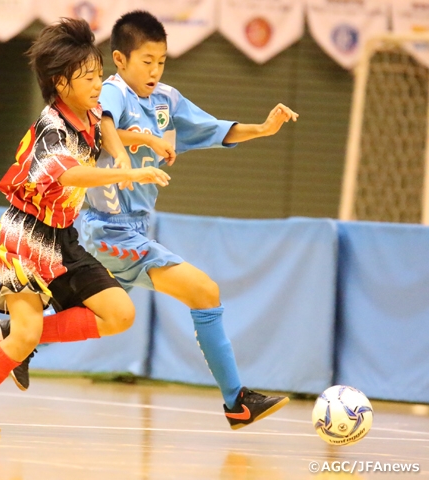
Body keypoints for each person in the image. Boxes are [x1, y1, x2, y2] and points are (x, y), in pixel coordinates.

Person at [0, 18, 170, 434]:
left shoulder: (91, 110)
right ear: (61, 84)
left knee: (119, 314)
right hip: (24, 238)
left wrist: (146, 143)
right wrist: (128, 175)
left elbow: (108, 131)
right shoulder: (52, 129)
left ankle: (1, 341)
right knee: (24, 338)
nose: (99, 84)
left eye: (99, 74)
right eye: (89, 78)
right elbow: (72, 175)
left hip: (63, 237)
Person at [79, 10, 300, 430]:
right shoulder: (112, 93)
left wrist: (263, 129)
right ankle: (237, 401)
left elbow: (214, 129)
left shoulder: (167, 100)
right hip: (106, 227)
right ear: (121, 60)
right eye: (147, 61)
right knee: (204, 290)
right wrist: (131, 152)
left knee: (107, 319)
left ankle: (9, 337)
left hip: (136, 229)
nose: (155, 70)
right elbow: (103, 124)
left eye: (161, 61)